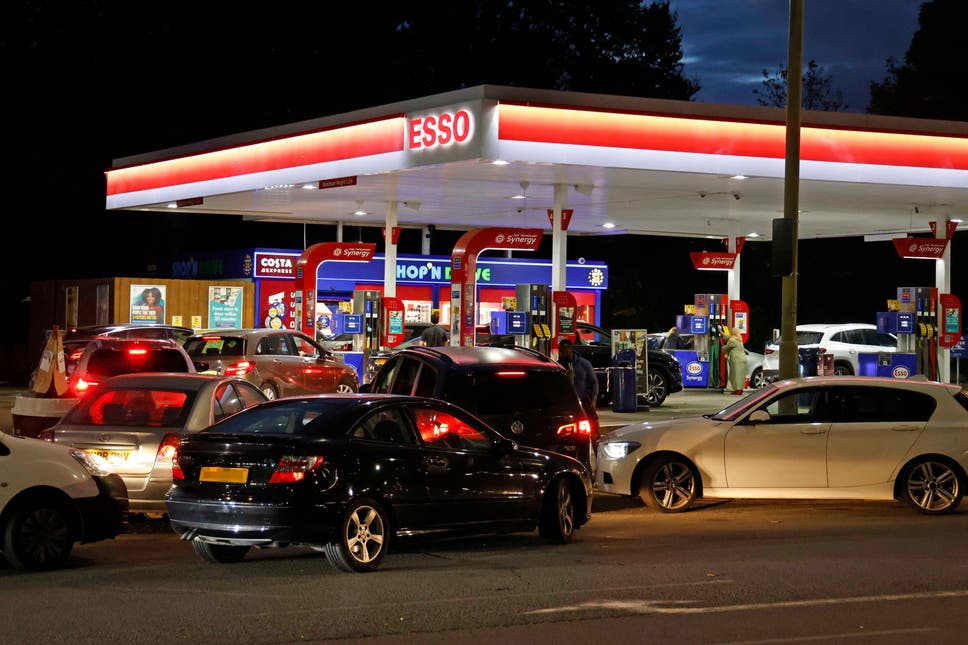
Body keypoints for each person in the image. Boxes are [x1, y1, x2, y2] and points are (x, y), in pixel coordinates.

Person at [557, 337, 599, 444]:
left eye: (563, 351)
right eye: (560, 351)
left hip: (584, 401)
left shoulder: (584, 364)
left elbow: (594, 382)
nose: (560, 354)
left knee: (594, 431)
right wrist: (568, 379)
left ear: (570, 350)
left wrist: (593, 400)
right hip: (567, 404)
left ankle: (598, 454)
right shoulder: (558, 365)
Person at [722, 327, 748, 394]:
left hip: (736, 360)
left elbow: (725, 348)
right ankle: (740, 389)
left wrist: (722, 345)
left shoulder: (732, 340)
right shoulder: (740, 340)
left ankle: (737, 390)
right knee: (741, 375)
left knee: (735, 375)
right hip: (743, 359)